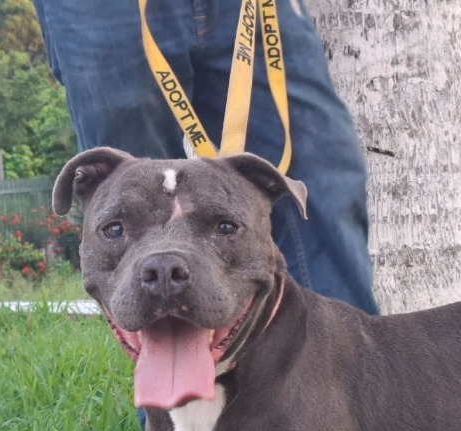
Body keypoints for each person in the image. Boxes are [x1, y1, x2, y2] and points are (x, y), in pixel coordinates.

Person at [32, 0, 379, 315]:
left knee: (317, 180)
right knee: (131, 212)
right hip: (101, 10)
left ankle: (344, 377)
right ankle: (182, 382)